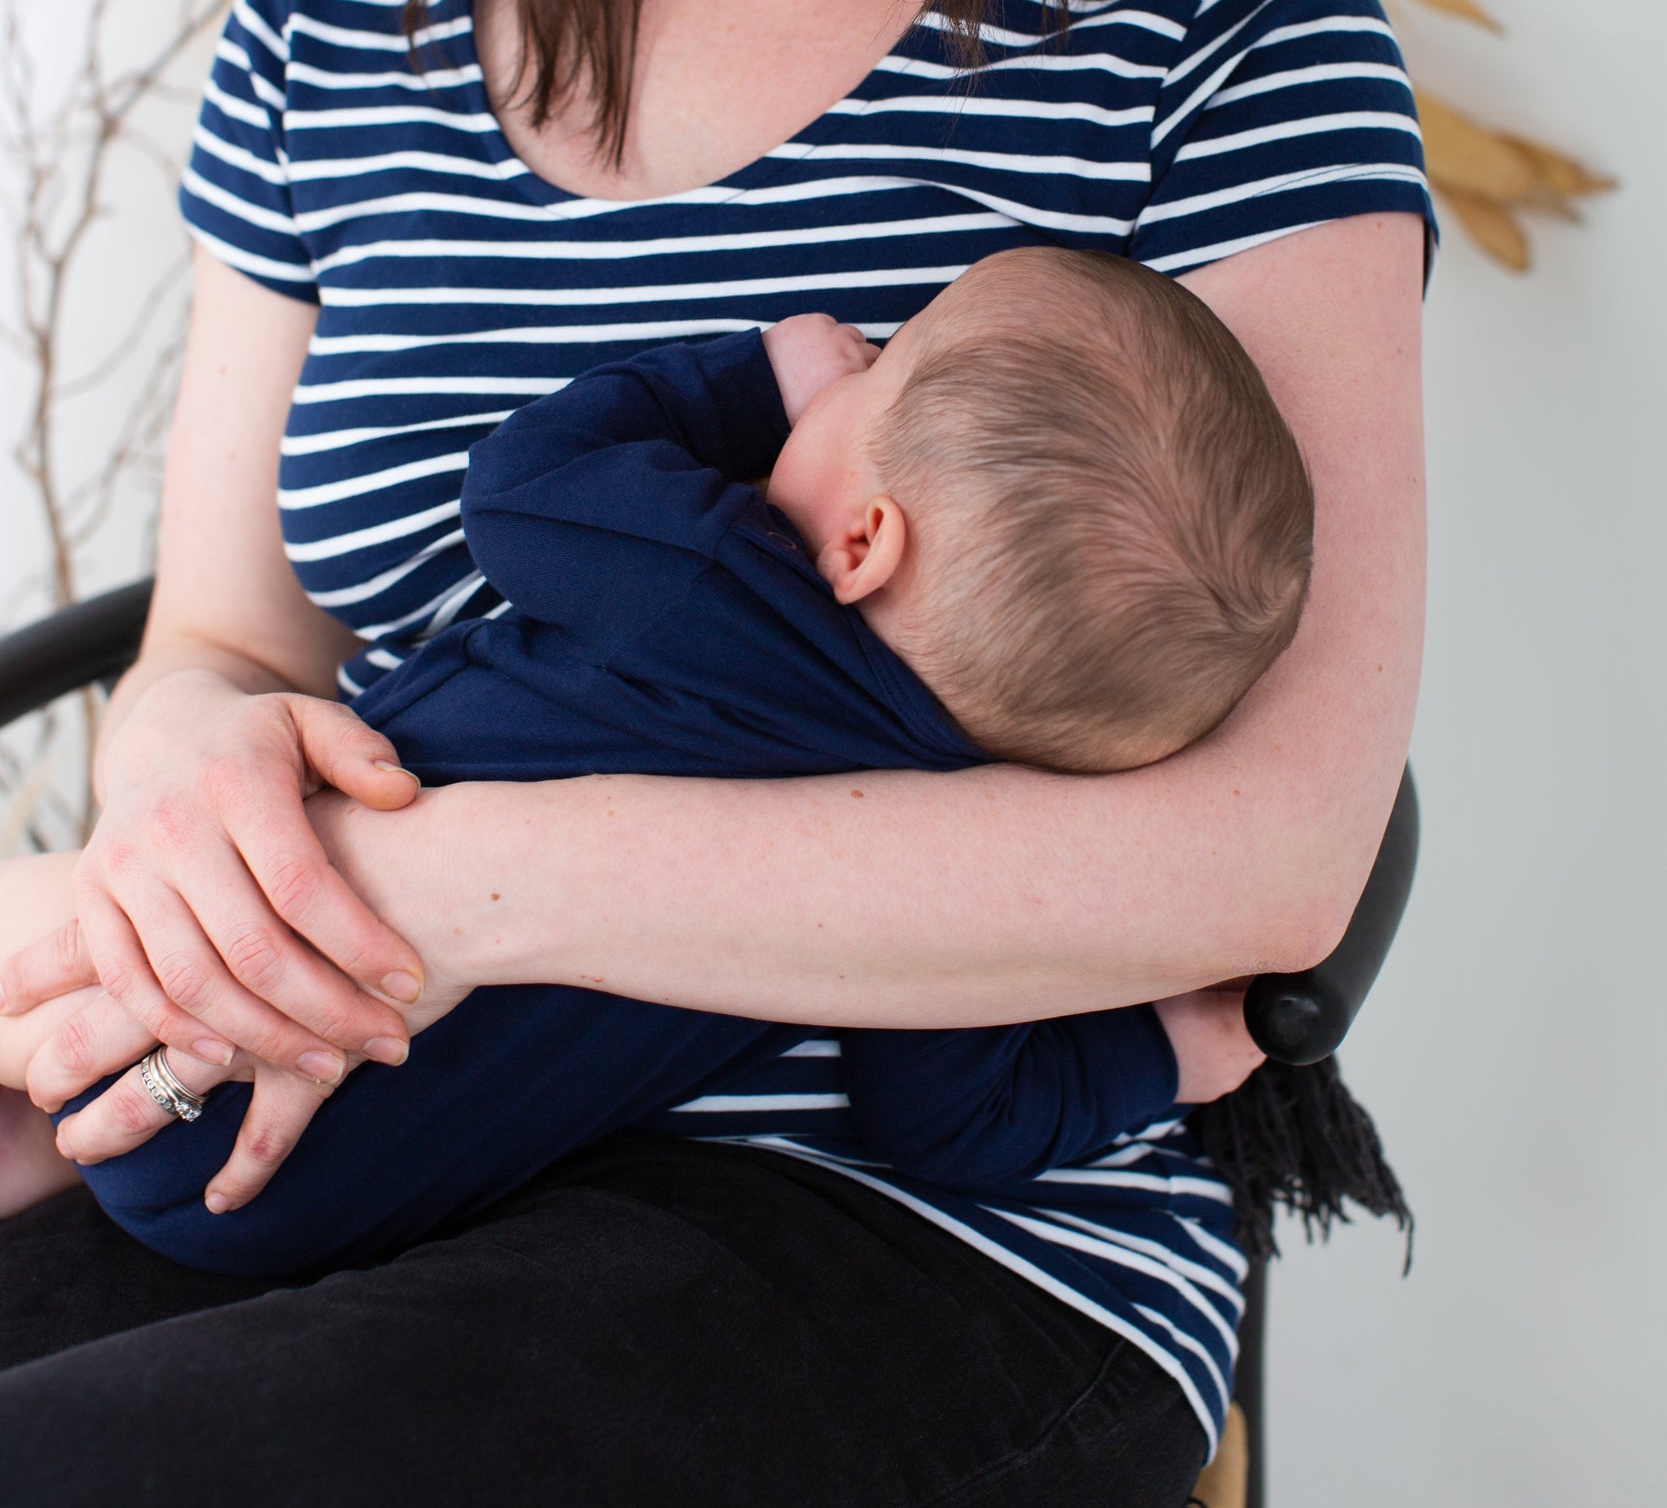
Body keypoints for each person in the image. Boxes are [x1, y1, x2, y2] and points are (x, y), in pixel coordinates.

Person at [0, 0, 1430, 1508]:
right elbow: (225, 636)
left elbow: (1272, 847)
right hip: (349, 1109)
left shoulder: (1224, 18)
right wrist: (210, 763)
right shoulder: (342, 19)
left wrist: (480, 886)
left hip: (901, 1226)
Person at [10, 248, 1311, 1276]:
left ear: (863, 541)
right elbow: (957, 1124)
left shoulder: (710, 577)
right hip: (302, 1215)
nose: (853, 355)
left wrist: (755, 381)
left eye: (883, 366)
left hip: (208, 957)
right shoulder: (938, 868)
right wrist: (1163, 1060)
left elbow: (519, 487)